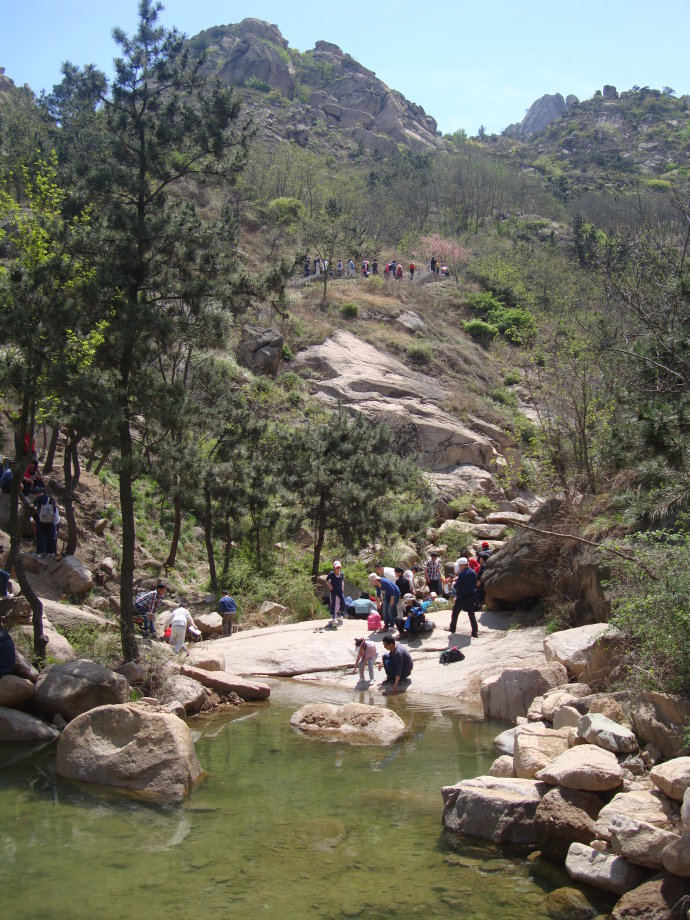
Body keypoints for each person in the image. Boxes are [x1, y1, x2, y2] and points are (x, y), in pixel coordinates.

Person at [450, 557, 478, 637]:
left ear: (462, 565)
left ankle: (452, 629)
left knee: (455, 613)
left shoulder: (462, 574)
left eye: (459, 565)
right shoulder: (473, 572)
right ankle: (475, 632)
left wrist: (454, 583)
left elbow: (457, 586)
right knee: (471, 614)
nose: (459, 567)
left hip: (462, 596)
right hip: (471, 596)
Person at [33, 492, 57, 557]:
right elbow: (55, 510)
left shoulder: (37, 501)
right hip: (50, 520)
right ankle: (51, 553)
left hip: (40, 520)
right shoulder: (51, 500)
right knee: (51, 536)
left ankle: (40, 553)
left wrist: (35, 519)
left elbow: (34, 511)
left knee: (40, 536)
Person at [326, 560, 347, 624]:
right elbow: (326, 580)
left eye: (339, 567)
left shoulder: (342, 574)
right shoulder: (331, 574)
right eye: (336, 567)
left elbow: (342, 580)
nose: (338, 569)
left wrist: (343, 587)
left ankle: (339, 611)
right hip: (333, 590)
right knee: (333, 603)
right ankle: (333, 616)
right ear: (334, 568)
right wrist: (330, 586)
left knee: (343, 602)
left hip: (340, 590)